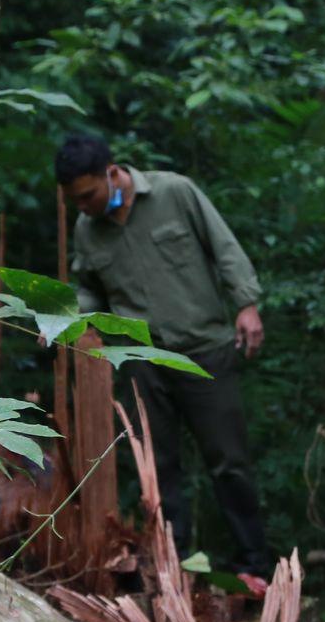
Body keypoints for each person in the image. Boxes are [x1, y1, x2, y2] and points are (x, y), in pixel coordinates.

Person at [55, 132, 275, 587]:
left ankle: (255, 565)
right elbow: (88, 286)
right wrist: (74, 318)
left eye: (89, 195)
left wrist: (247, 304)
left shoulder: (175, 192)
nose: (84, 207)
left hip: (204, 350)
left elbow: (224, 248)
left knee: (229, 461)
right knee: (157, 468)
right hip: (143, 360)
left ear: (111, 173)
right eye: (75, 202)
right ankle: (173, 571)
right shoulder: (87, 228)